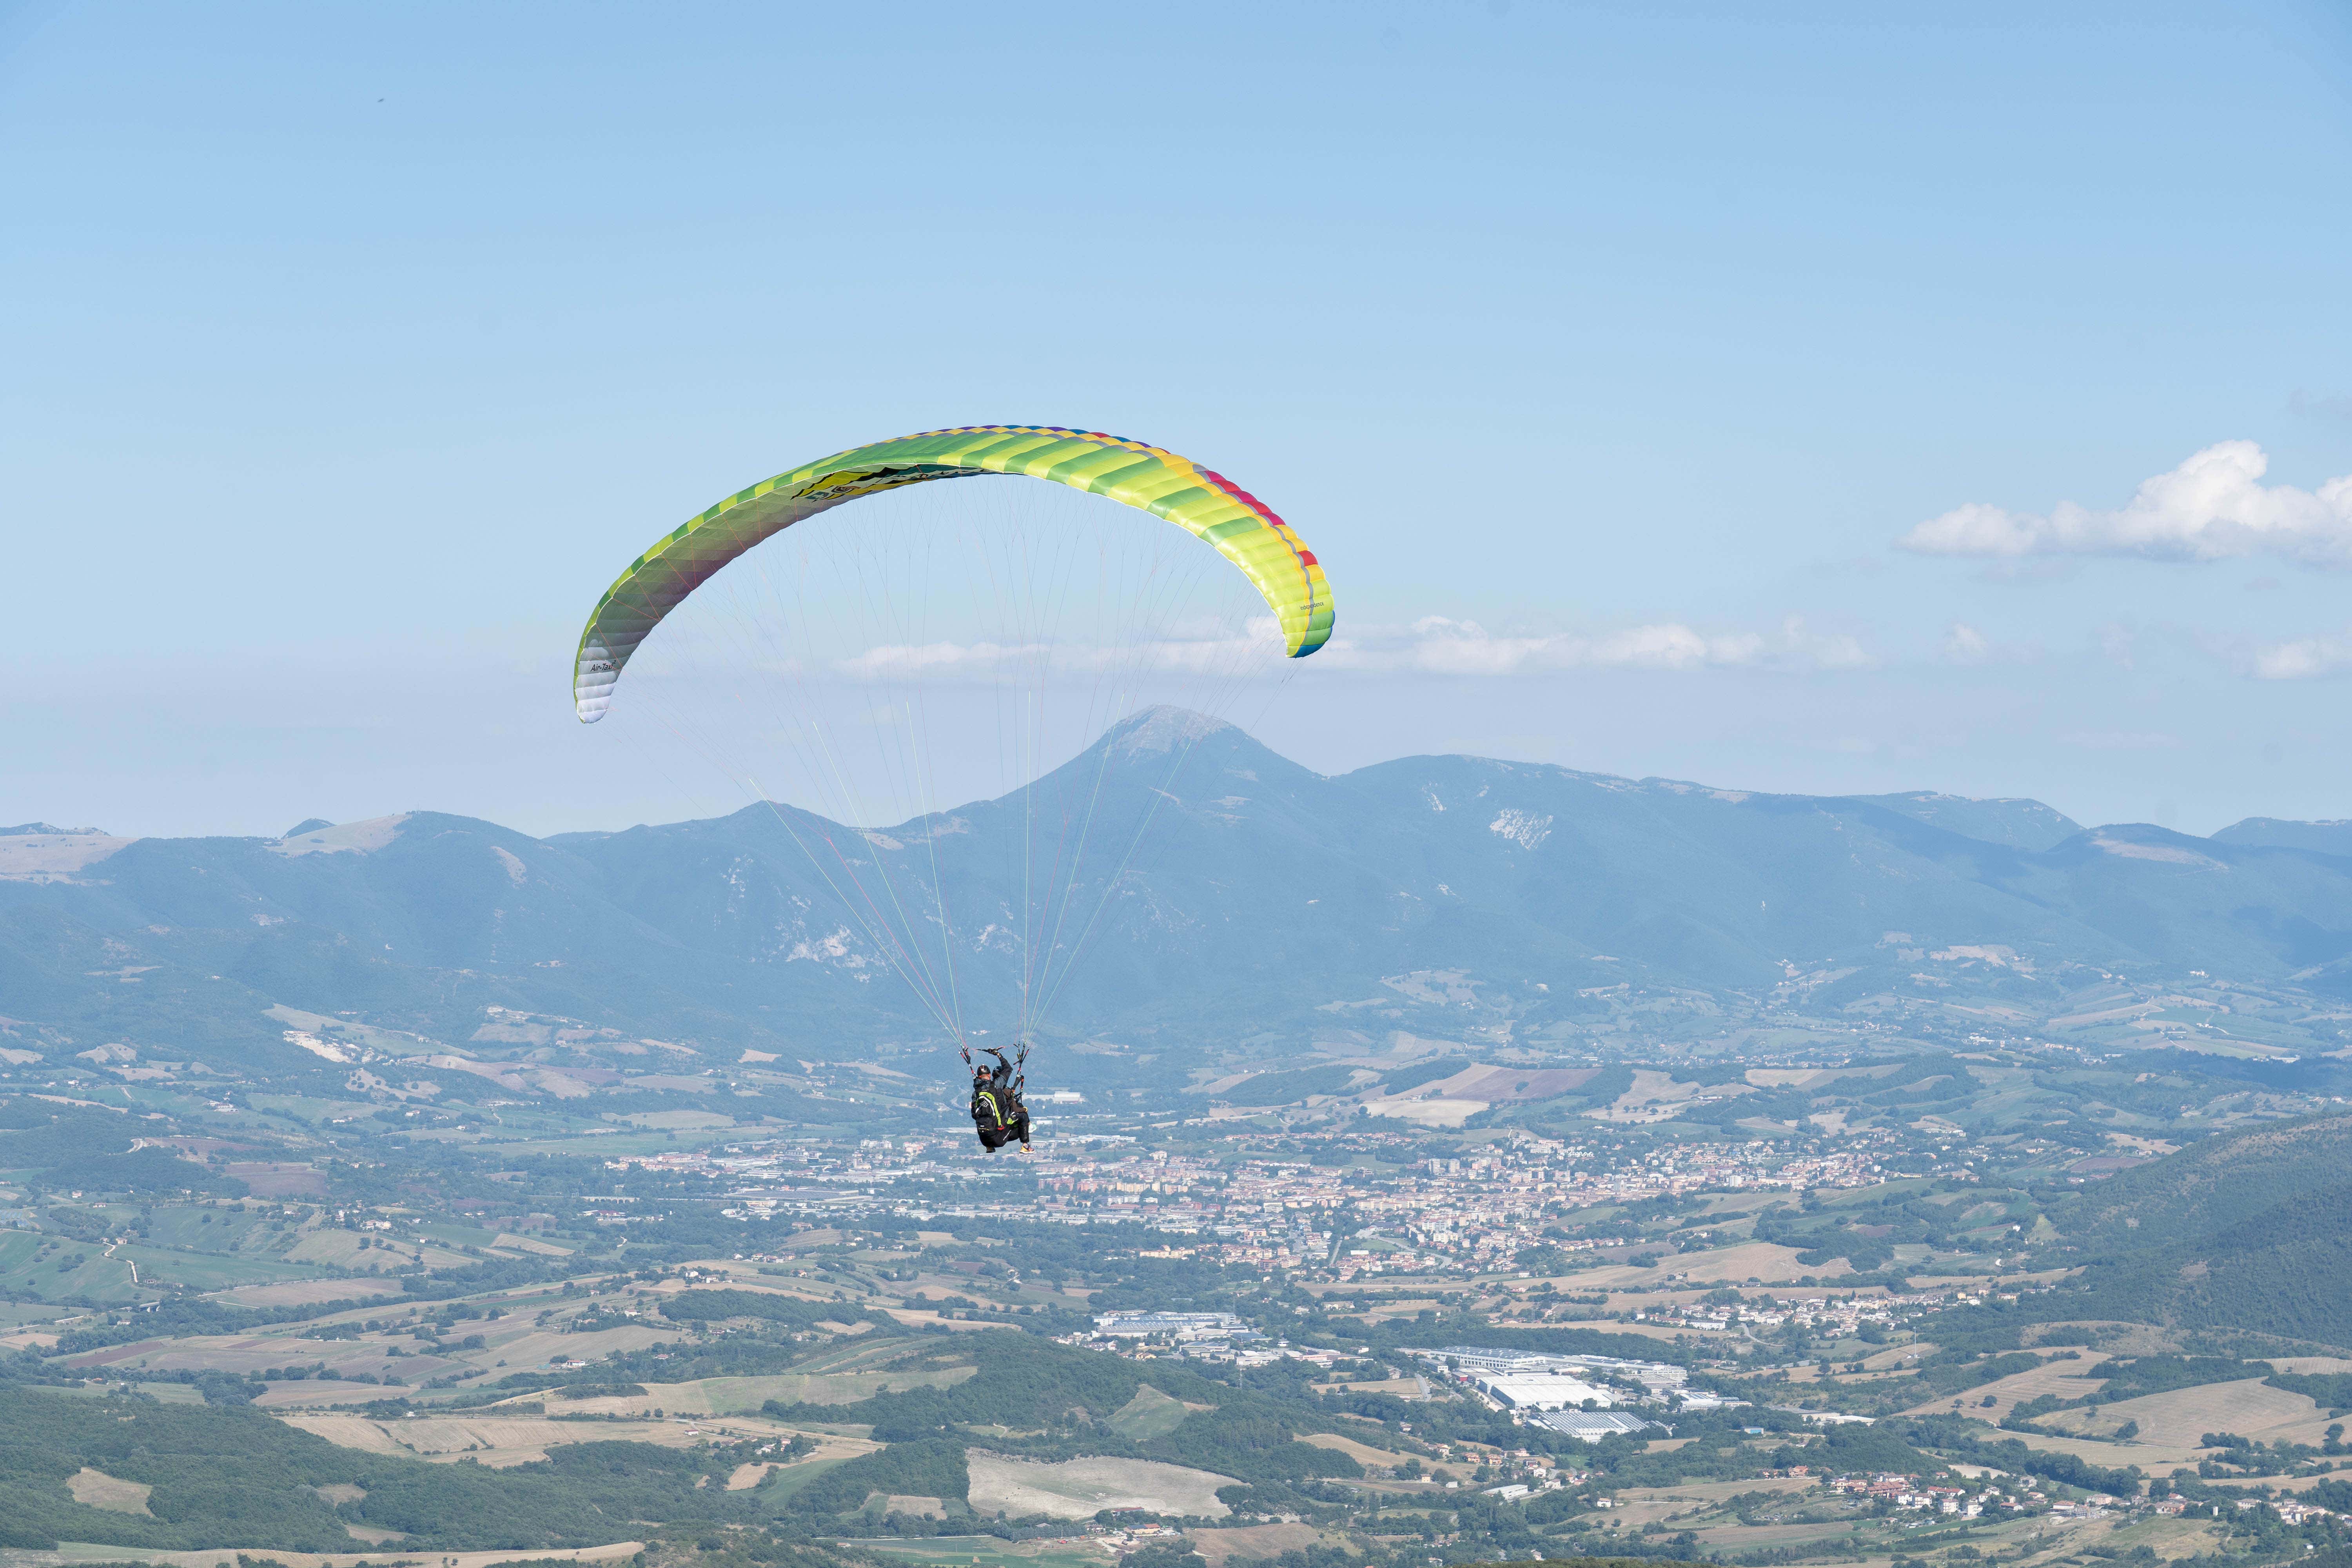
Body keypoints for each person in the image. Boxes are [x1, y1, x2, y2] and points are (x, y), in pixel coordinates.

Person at [968, 1046, 1030, 1153]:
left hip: (984, 1139)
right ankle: (1025, 1146)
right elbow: (1008, 1069)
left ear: (979, 1077)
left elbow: (975, 1115)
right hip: (998, 1138)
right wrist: (998, 1055)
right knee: (1023, 1117)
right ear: (989, 1076)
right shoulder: (997, 1085)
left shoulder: (976, 1093)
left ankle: (989, 1147)